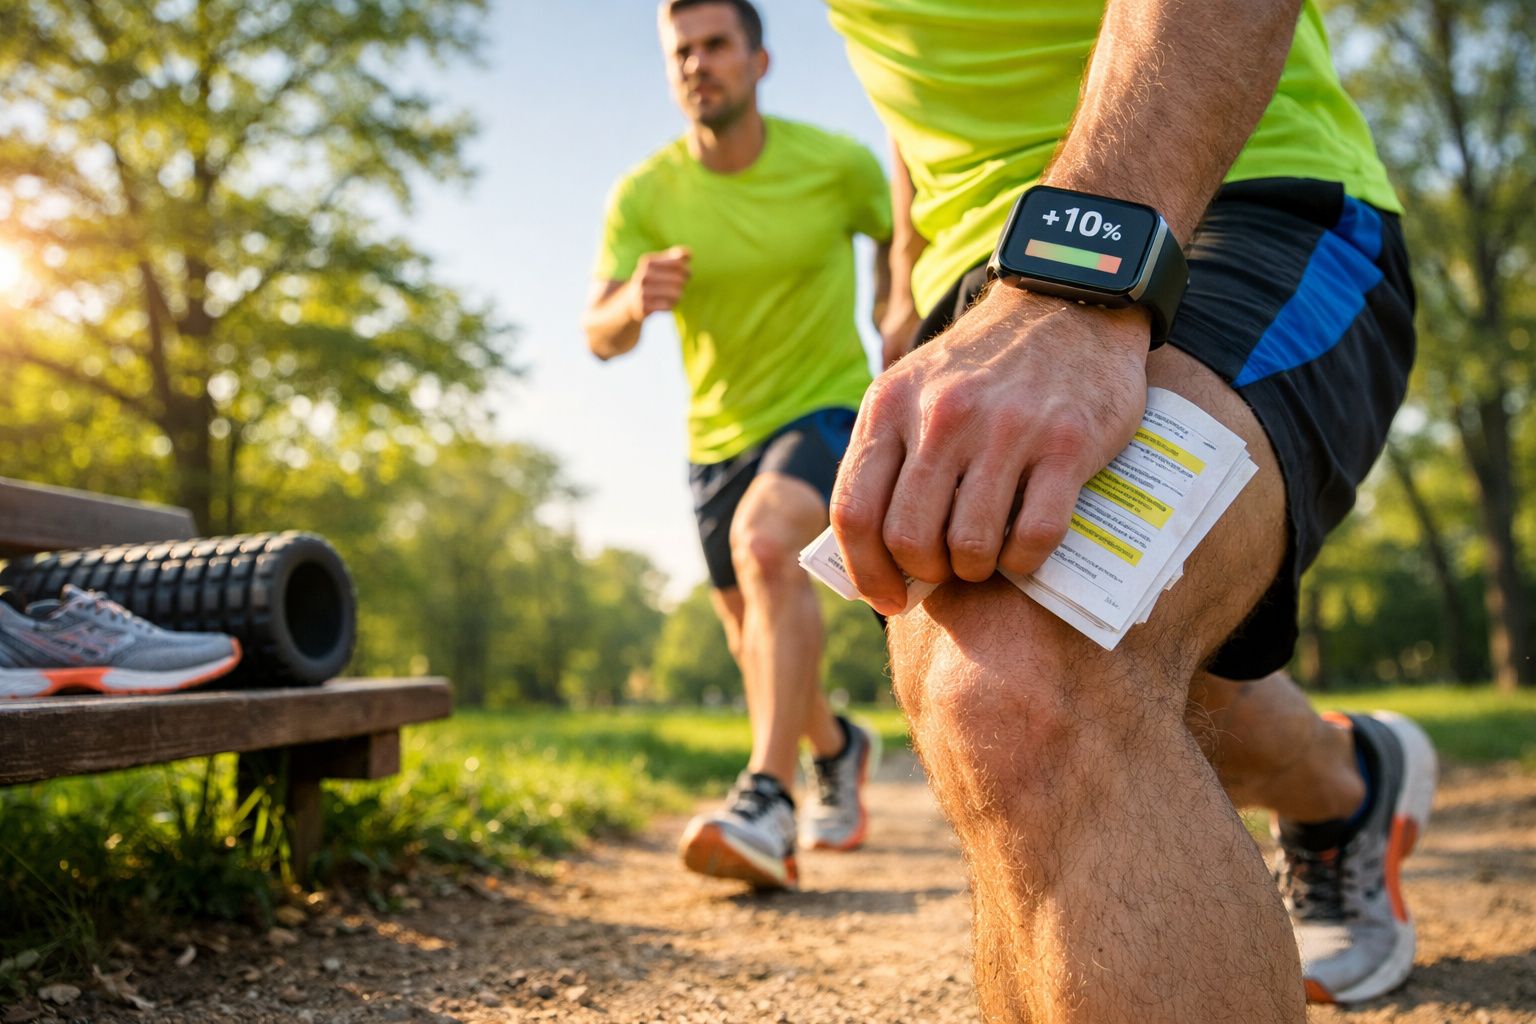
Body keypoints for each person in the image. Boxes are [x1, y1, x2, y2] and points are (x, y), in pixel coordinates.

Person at [823, 1, 1435, 1020]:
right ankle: (1347, 785)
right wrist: (901, 283)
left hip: (1229, 190)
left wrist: (1078, 281)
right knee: (1144, 656)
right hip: (975, 276)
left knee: (1027, 650)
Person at [582, 0, 893, 890]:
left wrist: (895, 305)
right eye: (681, 51)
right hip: (715, 435)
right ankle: (837, 746)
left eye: (716, 46)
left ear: (759, 61)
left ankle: (768, 797)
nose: (697, 64)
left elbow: (902, 220)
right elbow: (596, 335)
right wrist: (631, 300)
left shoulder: (833, 164)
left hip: (825, 407)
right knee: (749, 641)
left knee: (768, 545)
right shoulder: (646, 192)